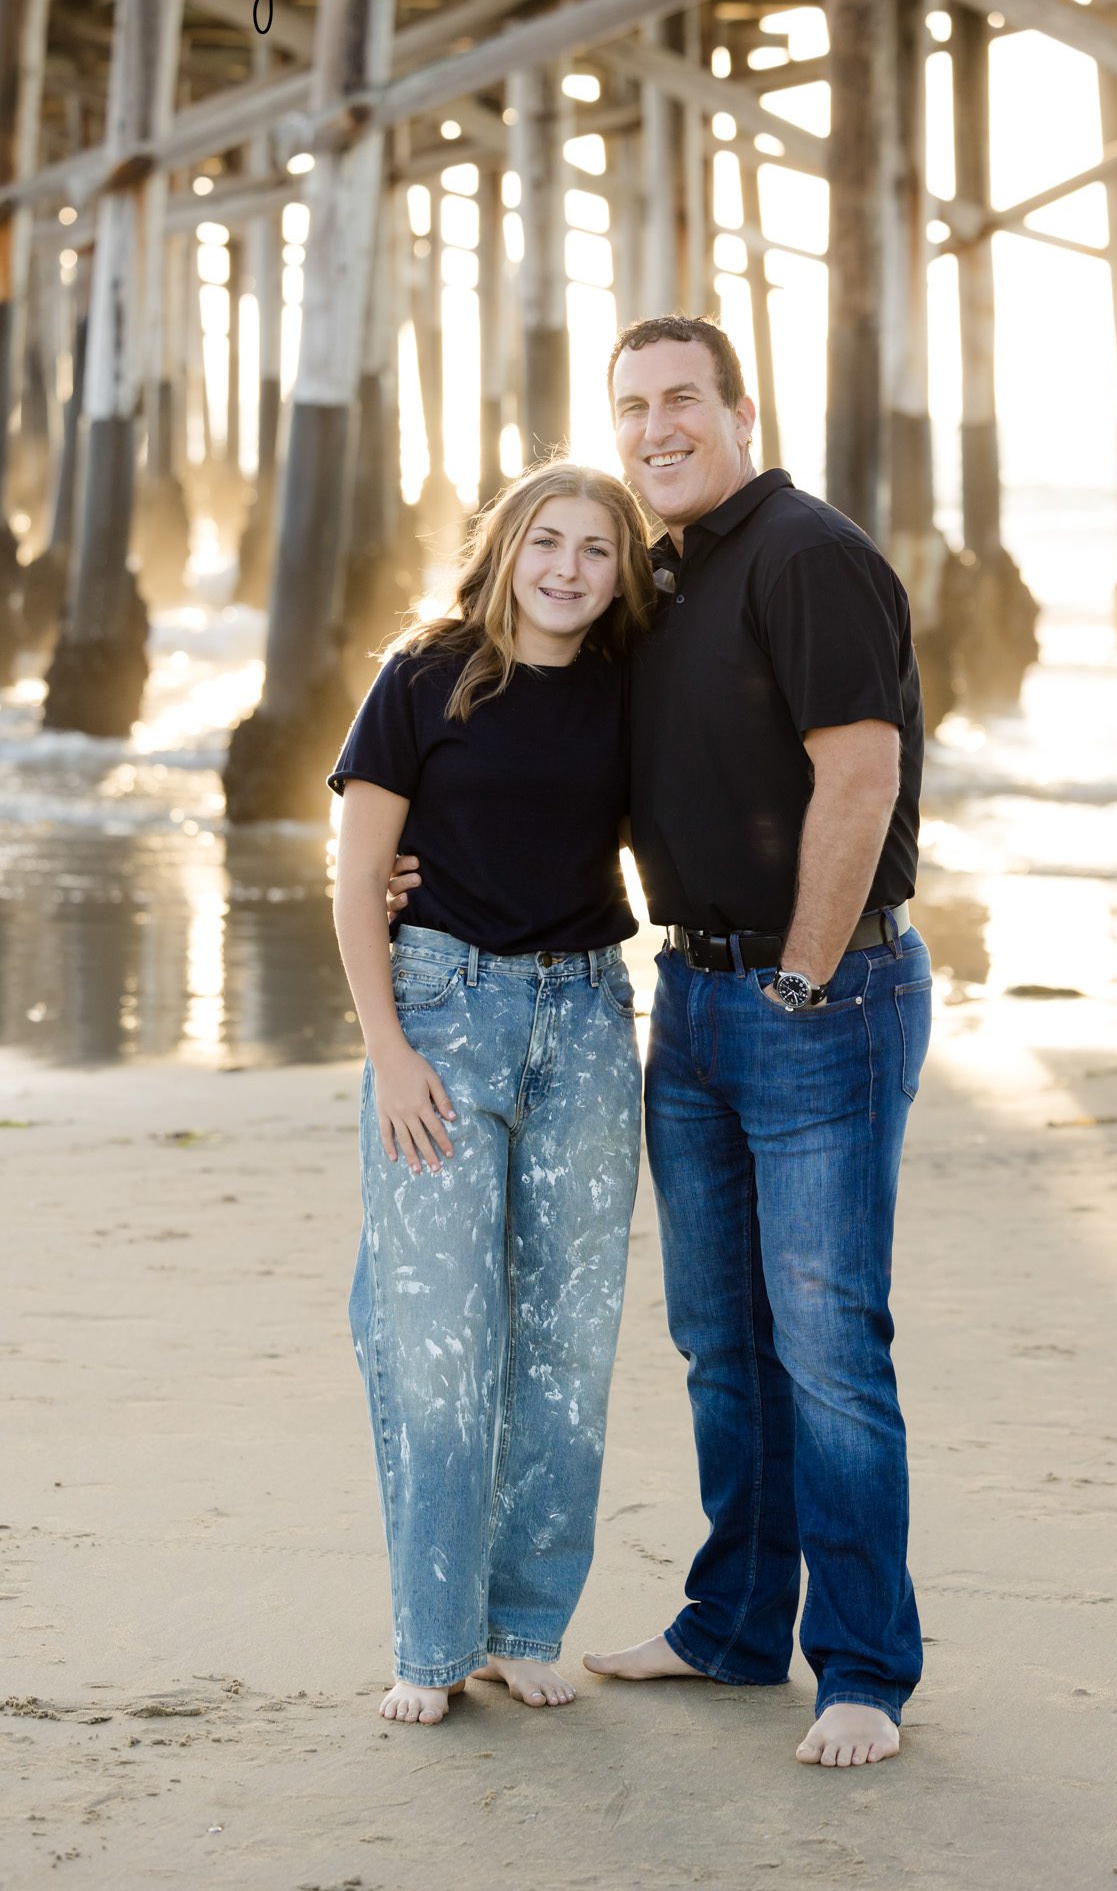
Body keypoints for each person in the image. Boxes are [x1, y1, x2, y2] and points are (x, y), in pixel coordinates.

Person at [391, 315, 930, 1770]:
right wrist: (408, 872)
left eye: (682, 400)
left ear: (740, 409)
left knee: (826, 1348)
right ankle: (734, 1624)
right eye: (631, 407)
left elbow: (860, 771)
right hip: (687, 997)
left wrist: (805, 980)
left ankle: (866, 1669)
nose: (654, 429)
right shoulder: (664, 575)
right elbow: (537, 749)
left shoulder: (807, 554)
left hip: (816, 999)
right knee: (719, 1344)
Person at [331, 459, 654, 1725]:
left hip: (584, 1020)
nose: (568, 569)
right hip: (444, 1018)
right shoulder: (424, 672)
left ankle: (523, 1622)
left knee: (570, 1339)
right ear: (506, 547)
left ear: (622, 572)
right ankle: (431, 1635)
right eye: (547, 543)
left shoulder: (634, 692)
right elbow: (360, 877)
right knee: (435, 1332)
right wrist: (391, 1050)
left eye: (597, 550)